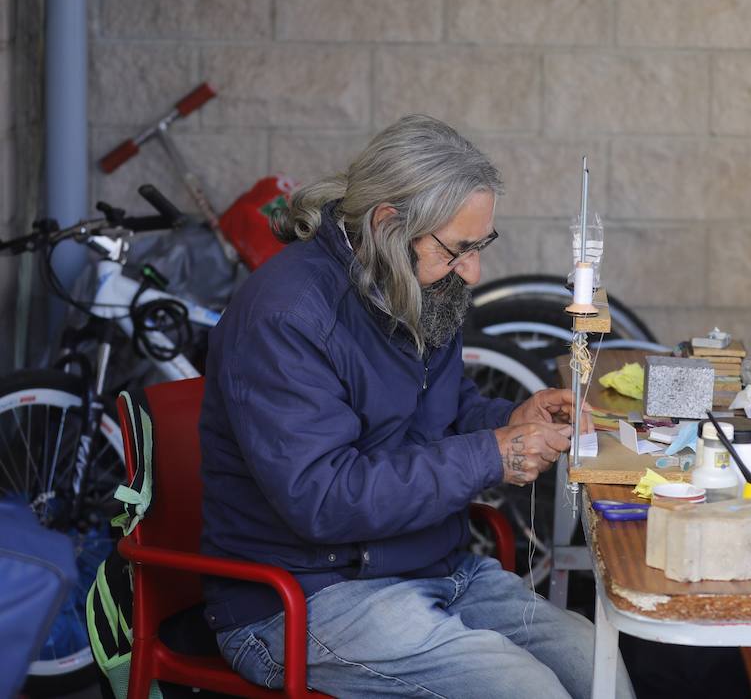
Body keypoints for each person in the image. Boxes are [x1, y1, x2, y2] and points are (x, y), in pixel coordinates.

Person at [199, 115, 633, 699]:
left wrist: (510, 422)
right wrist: (491, 454)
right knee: (528, 691)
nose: (474, 271)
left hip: (427, 565)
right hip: (305, 594)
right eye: (459, 249)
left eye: (482, 246)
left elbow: (445, 412)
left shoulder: (419, 283)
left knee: (594, 663)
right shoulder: (287, 317)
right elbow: (324, 500)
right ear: (386, 223)